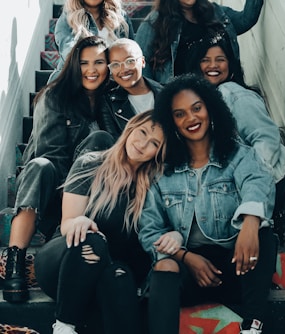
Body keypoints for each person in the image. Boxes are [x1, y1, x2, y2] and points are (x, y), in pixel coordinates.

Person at [138, 74, 277, 334]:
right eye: (179, 114)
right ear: (172, 123)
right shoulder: (161, 173)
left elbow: (257, 184)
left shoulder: (239, 155)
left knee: (265, 235)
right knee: (163, 267)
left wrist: (250, 223)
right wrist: (187, 258)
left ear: (211, 109)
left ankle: (253, 326)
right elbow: (149, 230)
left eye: (197, 108)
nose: (190, 119)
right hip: (190, 271)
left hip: (237, 264)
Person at [3, 36, 115, 303]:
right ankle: (15, 260)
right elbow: (48, 155)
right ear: (74, 65)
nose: (91, 69)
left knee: (101, 141)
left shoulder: (112, 99)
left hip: (93, 197)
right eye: (84, 63)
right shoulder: (54, 96)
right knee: (39, 167)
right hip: (54, 189)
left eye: (99, 62)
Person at [34, 110, 166, 334]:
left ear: (158, 153)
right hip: (66, 261)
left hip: (108, 273)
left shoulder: (155, 183)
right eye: (142, 132)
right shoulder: (91, 163)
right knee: (92, 240)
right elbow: (67, 222)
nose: (143, 144)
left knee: (121, 275)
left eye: (153, 143)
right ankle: (64, 327)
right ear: (131, 127)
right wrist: (79, 222)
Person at [192, 30, 285, 244]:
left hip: (275, 180)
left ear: (231, 64)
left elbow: (266, 140)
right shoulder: (206, 100)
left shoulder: (232, 93)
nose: (213, 66)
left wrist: (251, 186)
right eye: (205, 60)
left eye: (220, 59)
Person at [135, 0, 264, 84]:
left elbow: (245, 20)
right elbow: (141, 68)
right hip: (183, 103)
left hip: (222, 94)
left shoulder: (215, 12)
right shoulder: (154, 22)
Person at [48, 0, 135, 82]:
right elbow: (69, 53)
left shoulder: (121, 17)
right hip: (76, 79)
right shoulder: (68, 18)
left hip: (112, 80)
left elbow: (131, 51)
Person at [99, 38, 163, 141]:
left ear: (142, 61)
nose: (123, 69)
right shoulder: (108, 103)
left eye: (130, 61)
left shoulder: (167, 93)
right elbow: (115, 144)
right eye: (115, 65)